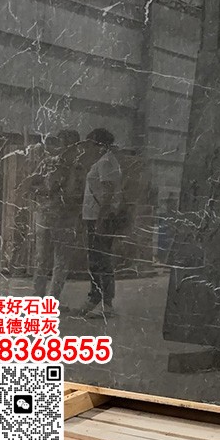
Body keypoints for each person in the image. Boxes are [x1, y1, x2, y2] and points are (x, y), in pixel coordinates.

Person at [32, 129, 84, 307]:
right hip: (55, 216)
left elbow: (34, 184)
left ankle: (44, 299)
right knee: (53, 260)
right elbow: (32, 185)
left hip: (54, 216)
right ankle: (45, 299)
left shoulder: (53, 164)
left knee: (50, 260)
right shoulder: (61, 165)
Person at [81, 128, 123, 318]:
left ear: (99, 145)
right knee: (95, 260)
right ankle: (95, 297)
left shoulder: (106, 162)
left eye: (90, 144)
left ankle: (107, 302)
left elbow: (108, 192)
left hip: (102, 217)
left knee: (102, 260)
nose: (87, 148)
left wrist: (101, 219)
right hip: (93, 216)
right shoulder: (101, 161)